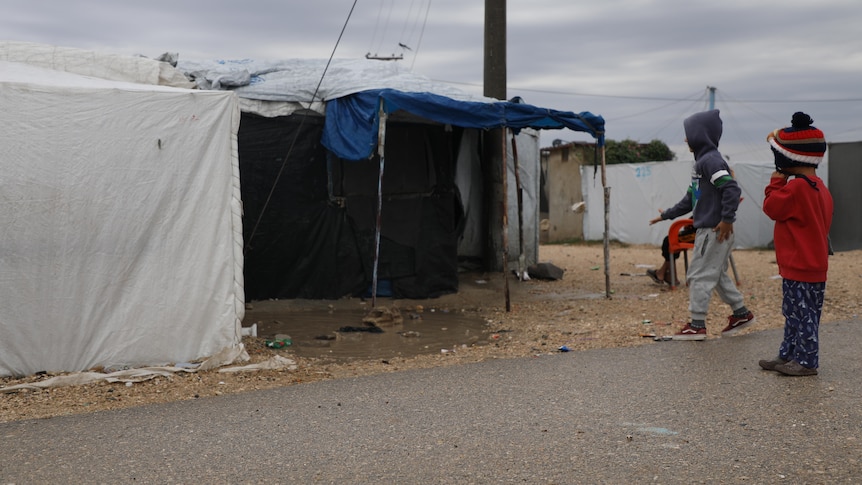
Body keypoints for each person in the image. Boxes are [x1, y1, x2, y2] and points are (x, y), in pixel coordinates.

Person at [648, 109, 754, 340]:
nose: (686, 139)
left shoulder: (711, 161)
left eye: (689, 134)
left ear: (701, 135)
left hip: (714, 230)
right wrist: (666, 215)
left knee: (697, 275)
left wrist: (727, 220)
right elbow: (690, 199)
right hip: (709, 229)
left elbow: (731, 189)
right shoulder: (701, 165)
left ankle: (697, 325)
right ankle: (741, 313)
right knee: (715, 274)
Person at [759, 112, 833, 376]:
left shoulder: (796, 188)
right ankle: (788, 355)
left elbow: (771, 207)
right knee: (797, 314)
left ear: (788, 158)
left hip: (799, 266)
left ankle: (806, 362)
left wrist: (776, 180)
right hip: (812, 265)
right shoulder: (819, 187)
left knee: (801, 316)